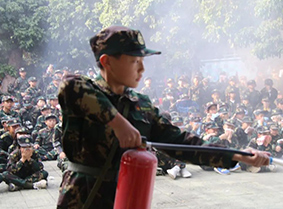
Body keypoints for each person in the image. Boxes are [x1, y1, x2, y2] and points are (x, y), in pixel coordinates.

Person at [56, 26, 270, 209]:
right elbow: (69, 86)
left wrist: (237, 155)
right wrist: (118, 123)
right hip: (83, 197)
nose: (142, 69)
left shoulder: (142, 105)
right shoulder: (84, 93)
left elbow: (180, 141)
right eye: (134, 61)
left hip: (127, 195)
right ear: (107, 62)